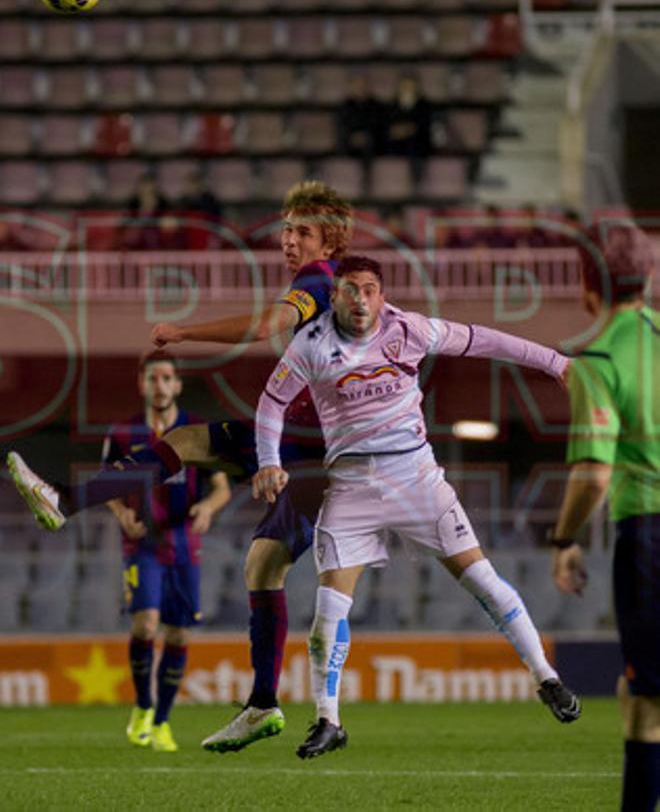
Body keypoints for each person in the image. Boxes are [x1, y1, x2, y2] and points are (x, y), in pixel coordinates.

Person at [7, 180, 353, 753]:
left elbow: (263, 327)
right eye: (286, 230)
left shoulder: (318, 282)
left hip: (319, 450)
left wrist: (185, 331)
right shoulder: (317, 285)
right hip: (294, 437)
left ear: (330, 240)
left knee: (275, 562)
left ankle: (67, 501)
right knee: (246, 537)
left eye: (302, 232)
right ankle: (264, 704)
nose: (287, 241)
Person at [251, 255, 581, 759]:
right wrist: (268, 461)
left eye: (369, 289)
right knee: (328, 610)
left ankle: (547, 677)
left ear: (382, 295)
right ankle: (328, 719)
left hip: (417, 478)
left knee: (481, 579)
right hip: (351, 486)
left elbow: (485, 339)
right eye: (349, 290)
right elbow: (272, 403)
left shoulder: (412, 329)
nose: (360, 300)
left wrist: (555, 362)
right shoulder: (312, 344)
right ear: (334, 295)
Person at [548, 221, 659, 812]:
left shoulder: (596, 357)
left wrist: (563, 538)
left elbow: (593, 475)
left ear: (587, 285)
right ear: (649, 276)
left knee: (644, 701)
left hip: (649, 530)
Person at [110, 350, 230, 752]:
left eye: (166, 378)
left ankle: (161, 721)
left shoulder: (196, 430)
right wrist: (121, 514)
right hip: (142, 543)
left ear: (177, 384)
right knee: (145, 625)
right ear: (141, 384)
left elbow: (221, 487)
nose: (159, 385)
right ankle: (142, 708)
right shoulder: (124, 434)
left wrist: (208, 508)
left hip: (184, 545)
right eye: (152, 378)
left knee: (178, 634)